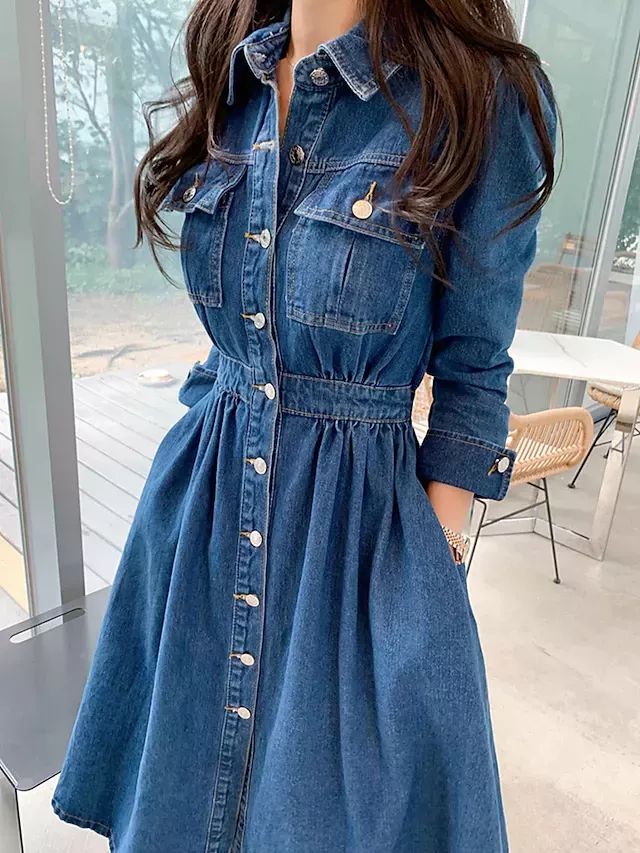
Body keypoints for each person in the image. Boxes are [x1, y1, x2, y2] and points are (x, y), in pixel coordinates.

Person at [51, 0, 557, 850]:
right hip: (197, 540)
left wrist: (426, 574)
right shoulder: (236, 75)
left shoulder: (481, 92)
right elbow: (236, 340)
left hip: (360, 557)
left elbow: (474, 376)